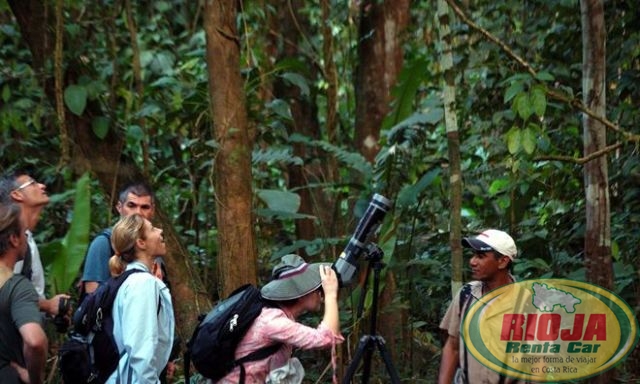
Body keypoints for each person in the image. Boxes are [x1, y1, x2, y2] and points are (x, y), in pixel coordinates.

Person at [218, 254, 344, 384]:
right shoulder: (273, 321)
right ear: (299, 293)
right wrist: (330, 294)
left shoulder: (276, 315)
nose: (320, 292)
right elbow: (325, 339)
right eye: (316, 288)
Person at [438, 229, 523, 384]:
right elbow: (453, 346)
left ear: (502, 261)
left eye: (481, 256)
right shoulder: (467, 295)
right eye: (473, 255)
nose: (472, 261)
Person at [106, 214, 175, 383]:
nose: (160, 231)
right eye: (152, 229)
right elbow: (140, 352)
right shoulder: (142, 283)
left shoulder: (132, 279)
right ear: (141, 243)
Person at [0, 171, 70, 317]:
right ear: (17, 195)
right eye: (32, 183)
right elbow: (7, 291)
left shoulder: (27, 238)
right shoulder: (10, 241)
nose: (42, 186)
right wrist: (48, 305)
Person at [0, 201, 48, 384]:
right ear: (14, 239)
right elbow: (34, 341)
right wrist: (34, 378)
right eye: (24, 234)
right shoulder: (17, 287)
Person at [81, 182, 155, 296]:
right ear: (119, 208)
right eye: (131, 205)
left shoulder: (154, 245)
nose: (138, 213)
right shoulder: (103, 243)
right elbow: (92, 298)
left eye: (144, 207)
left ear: (152, 211)